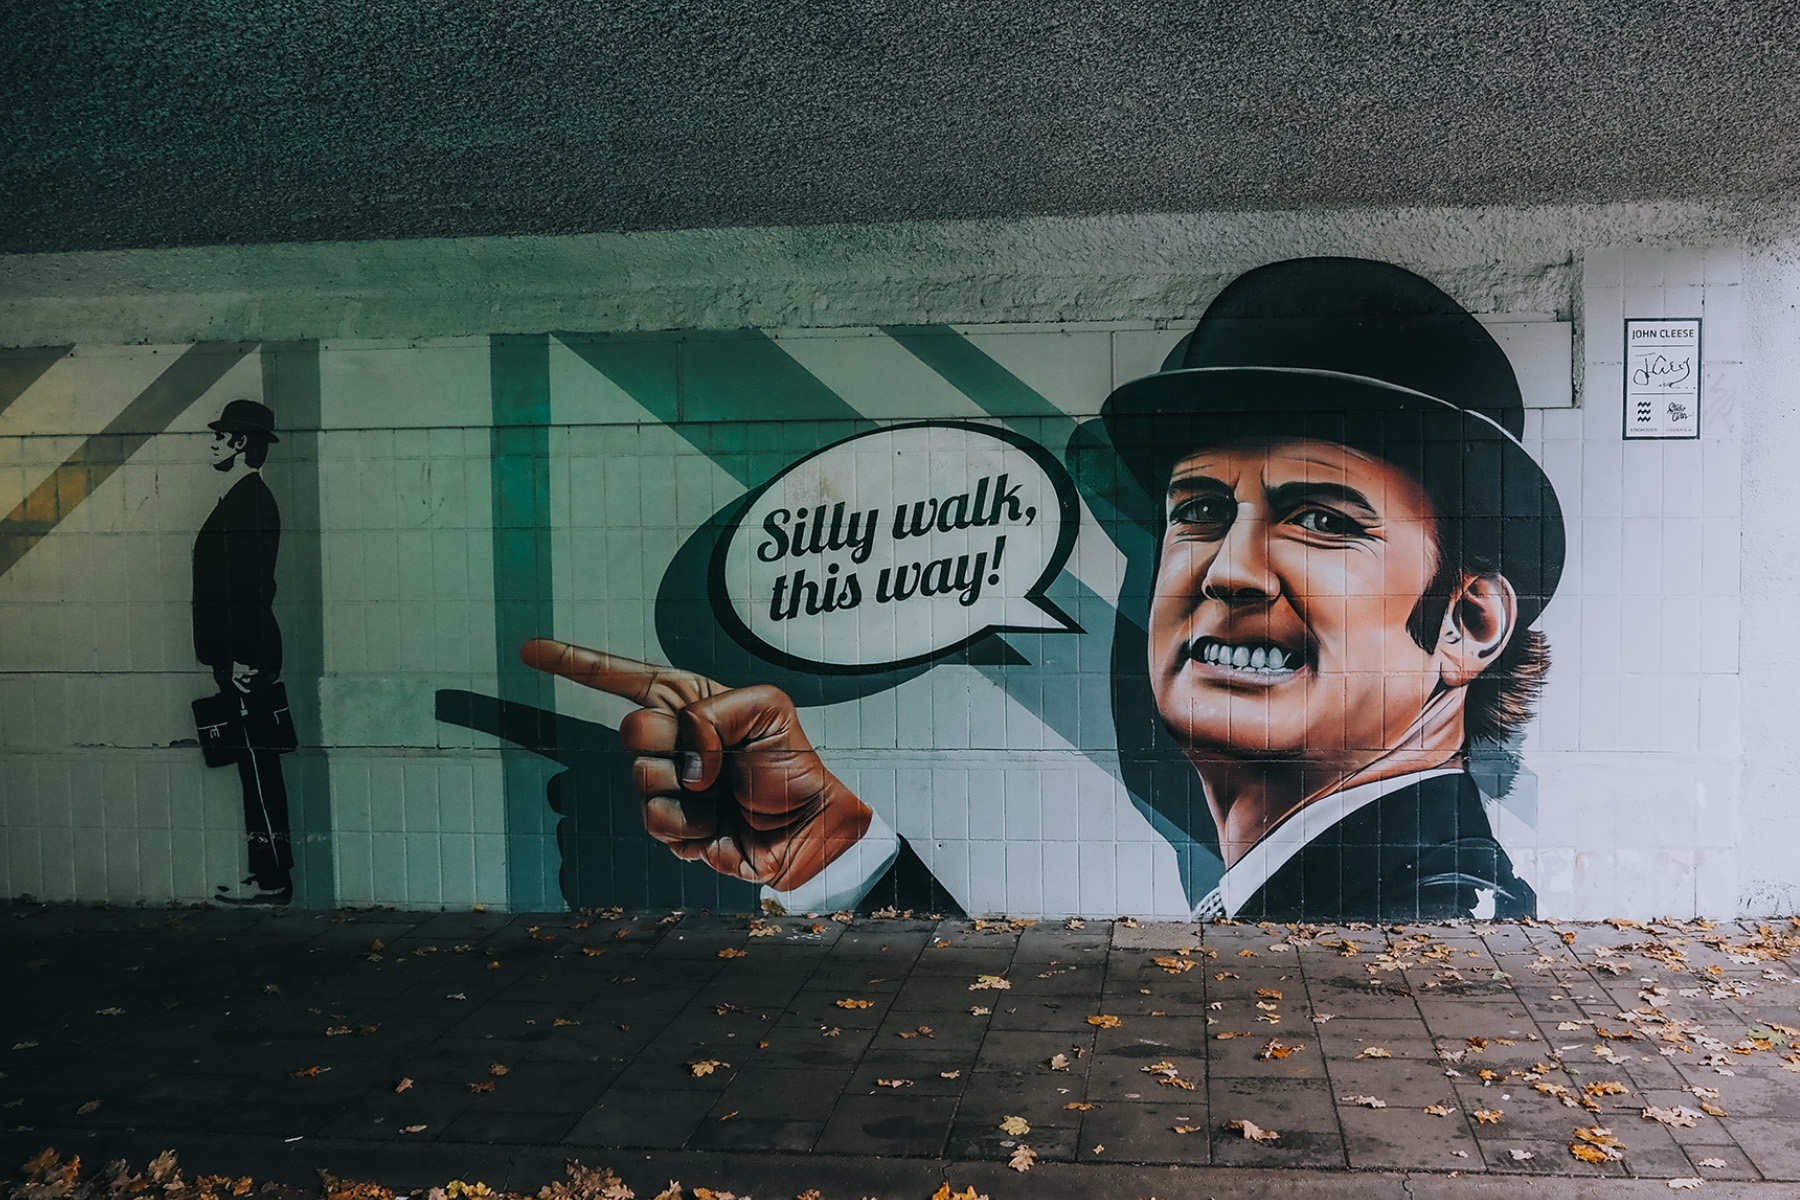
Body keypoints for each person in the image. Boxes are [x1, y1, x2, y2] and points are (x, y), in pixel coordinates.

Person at [524, 257, 1564, 922]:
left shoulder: (1422, 923)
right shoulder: (1327, 894)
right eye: (1198, 512)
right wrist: (836, 851)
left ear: (1467, 623)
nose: (1230, 570)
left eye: (1322, 520)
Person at [193, 399, 295, 905]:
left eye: (219, 436)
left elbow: (248, 588)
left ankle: (273, 878)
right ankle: (269, 874)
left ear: (237, 443)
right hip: (240, 653)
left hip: (245, 655)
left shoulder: (248, 502)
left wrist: (236, 656)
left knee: (257, 765)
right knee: (255, 764)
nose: (211, 442)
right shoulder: (241, 498)